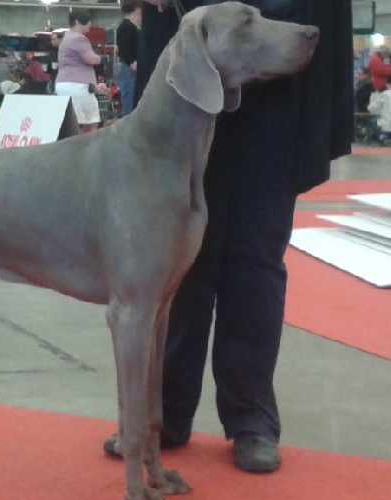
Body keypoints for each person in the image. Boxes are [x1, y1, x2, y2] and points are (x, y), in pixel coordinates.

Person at [103, 0, 353, 473]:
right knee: (173, 263)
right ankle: (164, 417)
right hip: (192, 47)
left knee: (256, 260)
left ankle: (251, 420)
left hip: (282, 66)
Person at [55, 9, 102, 134]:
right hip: (78, 85)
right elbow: (91, 59)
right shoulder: (79, 39)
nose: (90, 24)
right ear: (77, 22)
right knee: (90, 123)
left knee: (72, 123)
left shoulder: (66, 38)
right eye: (86, 21)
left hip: (64, 83)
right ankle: (84, 151)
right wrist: (100, 58)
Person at [115, 0, 141, 117]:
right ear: (137, 8)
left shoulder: (133, 26)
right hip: (130, 70)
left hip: (133, 69)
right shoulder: (126, 27)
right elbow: (125, 52)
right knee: (129, 106)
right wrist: (134, 65)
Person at [367, 74, 391, 144]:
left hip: (387, 126)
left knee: (372, 122)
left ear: (387, 84)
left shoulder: (386, 94)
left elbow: (372, 107)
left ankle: (382, 137)